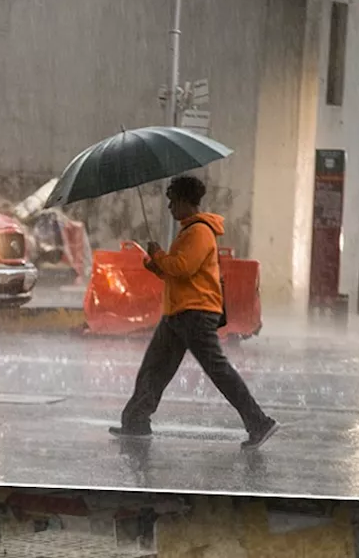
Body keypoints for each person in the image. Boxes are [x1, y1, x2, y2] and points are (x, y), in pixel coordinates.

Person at [109, 175, 279, 450]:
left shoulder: (199, 232)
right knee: (154, 368)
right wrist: (158, 267)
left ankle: (258, 422)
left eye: (173, 202)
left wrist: (160, 255)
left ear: (186, 201)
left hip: (195, 314)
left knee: (218, 370)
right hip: (179, 312)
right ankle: (136, 422)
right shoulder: (189, 231)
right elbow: (180, 274)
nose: (169, 208)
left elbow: (183, 267)